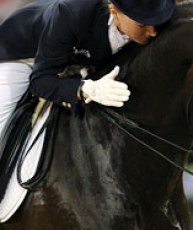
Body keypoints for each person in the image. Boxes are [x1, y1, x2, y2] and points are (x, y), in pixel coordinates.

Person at [0, 0, 176, 135]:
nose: (153, 32)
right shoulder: (73, 13)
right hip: (22, 53)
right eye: (143, 25)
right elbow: (40, 81)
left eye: (156, 22)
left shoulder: (147, 20)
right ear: (114, 12)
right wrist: (86, 89)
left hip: (73, 58)